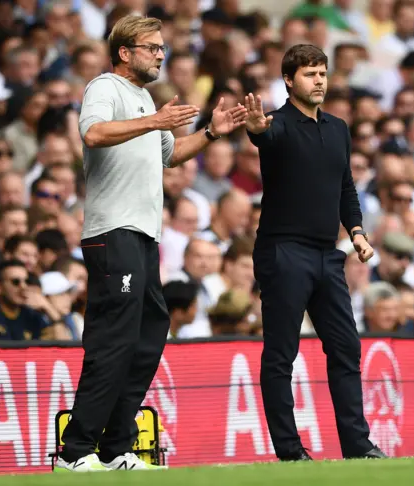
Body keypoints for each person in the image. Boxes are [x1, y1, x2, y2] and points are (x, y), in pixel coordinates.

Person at [55, 15, 247, 473]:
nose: (161, 54)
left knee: (146, 337)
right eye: (152, 47)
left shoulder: (144, 98)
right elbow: (93, 133)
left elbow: (170, 154)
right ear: (125, 52)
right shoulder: (105, 87)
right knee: (113, 338)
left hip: (143, 234)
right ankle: (75, 452)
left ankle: (117, 447)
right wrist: (155, 120)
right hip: (112, 231)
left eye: (163, 48)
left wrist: (212, 132)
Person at [244, 44, 385, 461]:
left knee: (346, 347)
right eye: (309, 74)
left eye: (322, 72)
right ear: (289, 80)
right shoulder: (279, 125)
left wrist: (356, 231)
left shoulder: (338, 128)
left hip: (327, 254)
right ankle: (290, 452)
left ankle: (357, 447)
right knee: (281, 354)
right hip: (283, 250)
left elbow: (345, 187)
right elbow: (264, 137)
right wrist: (255, 129)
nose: (319, 80)